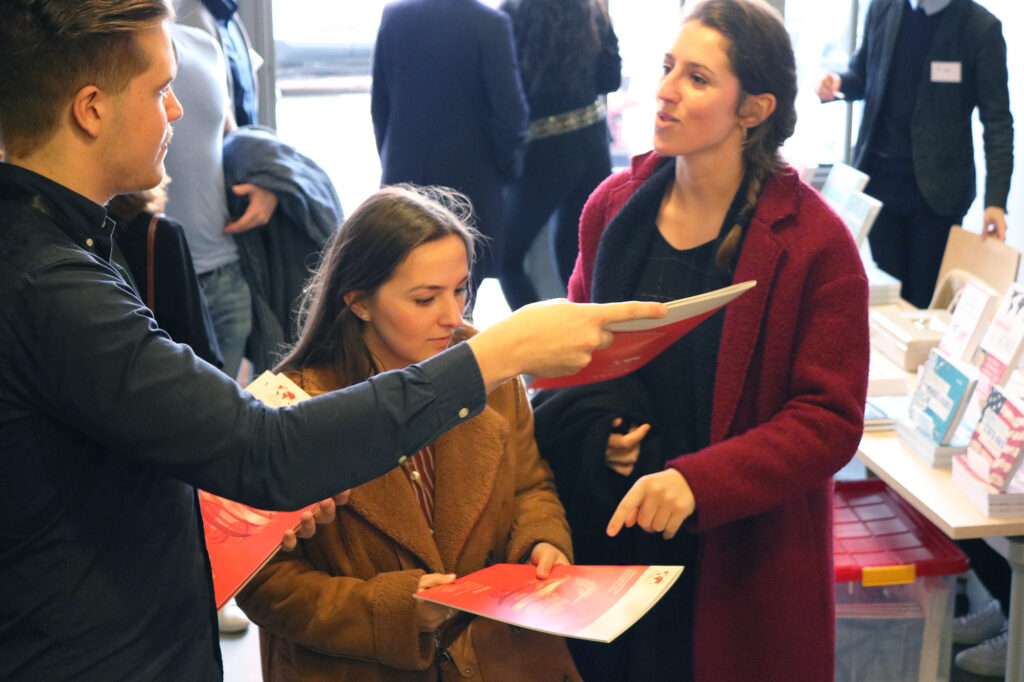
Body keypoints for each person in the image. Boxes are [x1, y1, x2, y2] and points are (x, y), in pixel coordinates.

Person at [0, 2, 666, 678]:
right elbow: (263, 449)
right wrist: (500, 352)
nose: (176, 112)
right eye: (160, 89)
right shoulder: (50, 284)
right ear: (90, 108)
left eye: (459, 293)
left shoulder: (67, 251)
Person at [537, 1, 870, 679]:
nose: (664, 92)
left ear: (754, 110)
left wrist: (695, 482)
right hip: (612, 537)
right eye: (666, 68)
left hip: (741, 555)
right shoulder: (611, 207)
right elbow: (574, 354)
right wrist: (598, 430)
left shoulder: (814, 244)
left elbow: (828, 419)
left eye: (696, 78)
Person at [235, 185, 578, 681]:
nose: (453, 317)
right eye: (424, 298)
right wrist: (392, 611)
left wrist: (540, 543)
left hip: (490, 660)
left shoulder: (487, 367)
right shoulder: (292, 407)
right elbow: (263, 582)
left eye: (460, 288)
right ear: (358, 302)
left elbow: (529, 485)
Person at [816, 0, 1013, 309]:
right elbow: (863, 75)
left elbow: (998, 121)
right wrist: (838, 83)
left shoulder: (980, 27)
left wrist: (996, 202)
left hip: (937, 197)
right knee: (884, 299)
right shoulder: (883, 7)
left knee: (922, 304)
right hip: (878, 185)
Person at [371, 0, 529, 314]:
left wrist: (393, 161)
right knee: (458, 306)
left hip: (404, 183)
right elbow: (511, 116)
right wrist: (506, 170)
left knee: (406, 298)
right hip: (471, 188)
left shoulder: (394, 16)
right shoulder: (489, 23)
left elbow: (380, 107)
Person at [498, 0, 622, 308]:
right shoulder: (592, 10)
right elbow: (611, 79)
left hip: (542, 154)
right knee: (580, 255)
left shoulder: (509, 15)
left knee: (505, 258)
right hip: (592, 146)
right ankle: (590, 344)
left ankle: (537, 342)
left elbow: (507, 100)